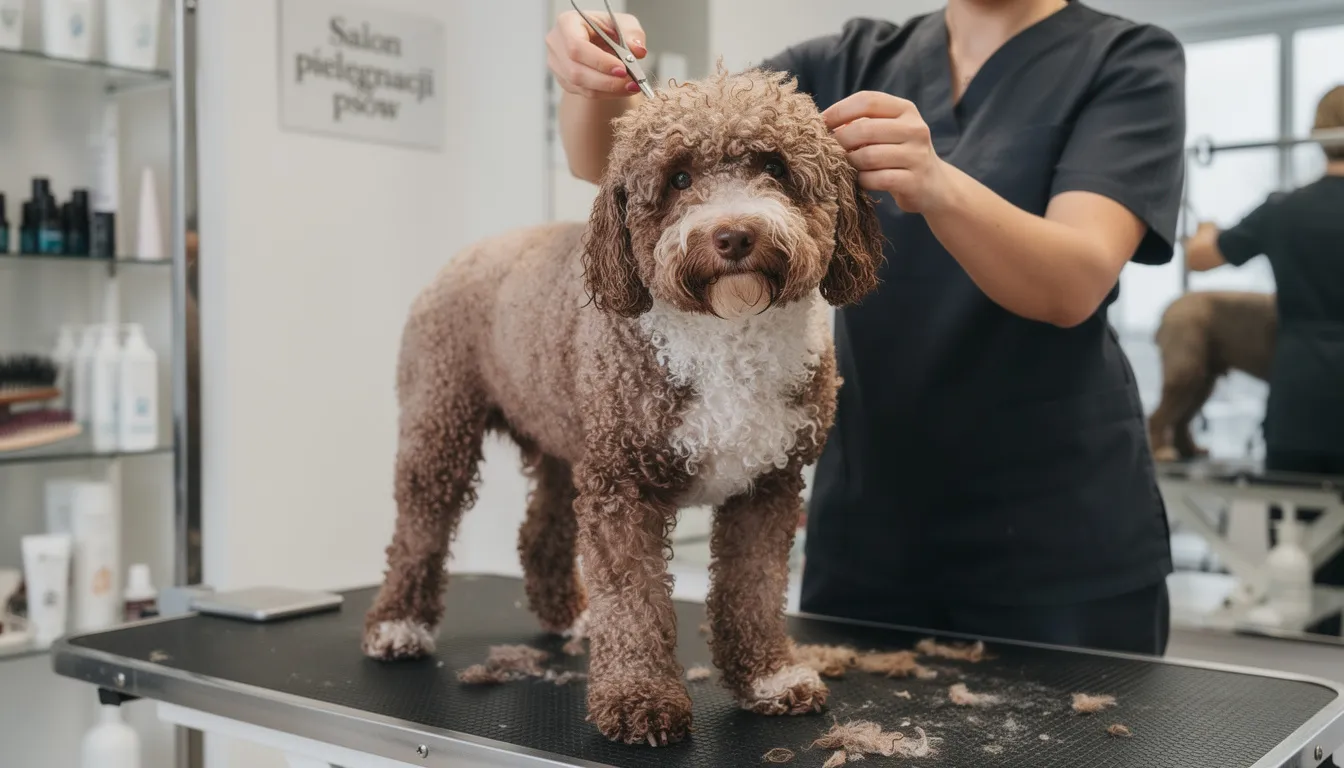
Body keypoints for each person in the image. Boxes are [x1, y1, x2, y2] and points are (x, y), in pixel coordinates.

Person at [548, 0, 1185, 655]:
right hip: (870, 531)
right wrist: (591, 79)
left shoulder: (1126, 61)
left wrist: (938, 184)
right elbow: (621, 161)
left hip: (1060, 533)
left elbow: (1074, 284)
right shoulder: (847, 62)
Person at [1186, 85, 1344, 479]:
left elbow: (1199, 257)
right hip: (1300, 404)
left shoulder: (1282, 209)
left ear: (1317, 134)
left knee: (1294, 517)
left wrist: (1206, 229)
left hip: (1299, 409)